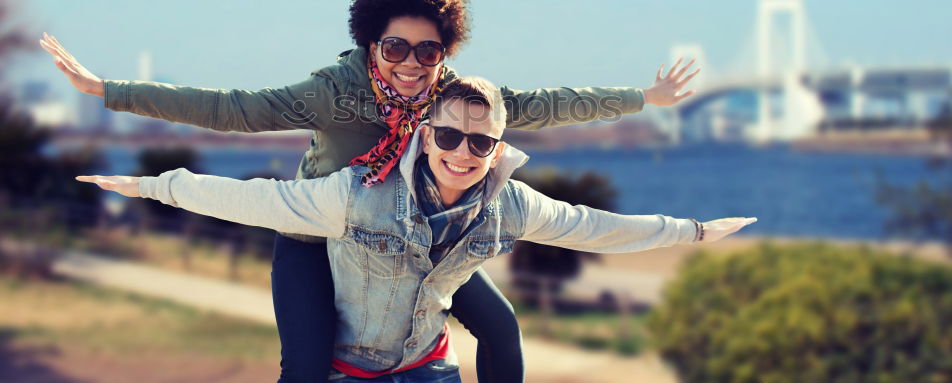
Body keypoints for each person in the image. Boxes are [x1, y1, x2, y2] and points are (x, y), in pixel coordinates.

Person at [43, 0, 700, 383]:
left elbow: (548, 103)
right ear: (370, 45)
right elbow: (234, 110)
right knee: (305, 366)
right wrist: (108, 90)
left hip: (408, 233)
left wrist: (645, 96)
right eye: (396, 47)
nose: (412, 63)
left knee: (501, 329)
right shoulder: (334, 89)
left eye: (428, 50)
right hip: (321, 226)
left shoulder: (455, 96)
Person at [77, 76, 756, 383]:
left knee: (502, 324)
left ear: (498, 144)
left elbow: (595, 227)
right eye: (451, 136)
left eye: (481, 142)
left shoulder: (509, 203)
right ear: (425, 134)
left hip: (428, 370)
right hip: (347, 369)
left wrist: (692, 230)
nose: (464, 151)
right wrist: (151, 185)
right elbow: (254, 197)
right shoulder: (355, 194)